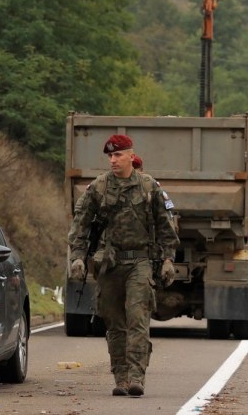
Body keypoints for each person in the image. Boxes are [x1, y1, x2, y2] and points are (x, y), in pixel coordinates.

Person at [68, 134, 179, 397]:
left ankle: (136, 376)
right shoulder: (98, 187)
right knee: (114, 323)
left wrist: (167, 259)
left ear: (131, 155)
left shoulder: (149, 187)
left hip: (140, 262)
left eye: (118, 155)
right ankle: (120, 377)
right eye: (110, 156)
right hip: (109, 264)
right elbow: (80, 224)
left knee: (138, 319)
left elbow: (166, 226)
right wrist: (77, 257)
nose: (113, 160)